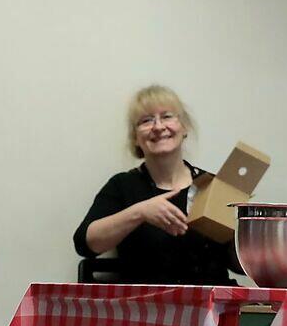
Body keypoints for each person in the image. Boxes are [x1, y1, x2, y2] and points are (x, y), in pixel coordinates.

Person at [73, 84, 239, 285]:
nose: (158, 127)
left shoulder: (212, 185)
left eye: (167, 116)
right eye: (146, 120)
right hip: (148, 302)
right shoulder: (122, 186)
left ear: (184, 127)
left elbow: (239, 265)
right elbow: (85, 244)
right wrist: (140, 212)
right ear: (135, 138)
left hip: (211, 302)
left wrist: (246, 233)